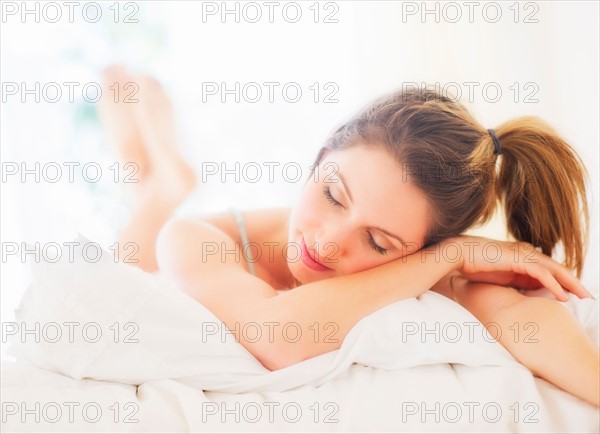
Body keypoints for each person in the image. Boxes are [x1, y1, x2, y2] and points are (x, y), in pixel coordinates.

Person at [98, 65, 599, 407]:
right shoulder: (194, 239)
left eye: (379, 244)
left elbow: (514, 313)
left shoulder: (424, 266)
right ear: (320, 155)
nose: (330, 242)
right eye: (334, 194)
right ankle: (160, 185)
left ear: (416, 250)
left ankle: (156, 180)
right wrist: (453, 251)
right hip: (163, 251)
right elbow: (278, 335)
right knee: (129, 259)